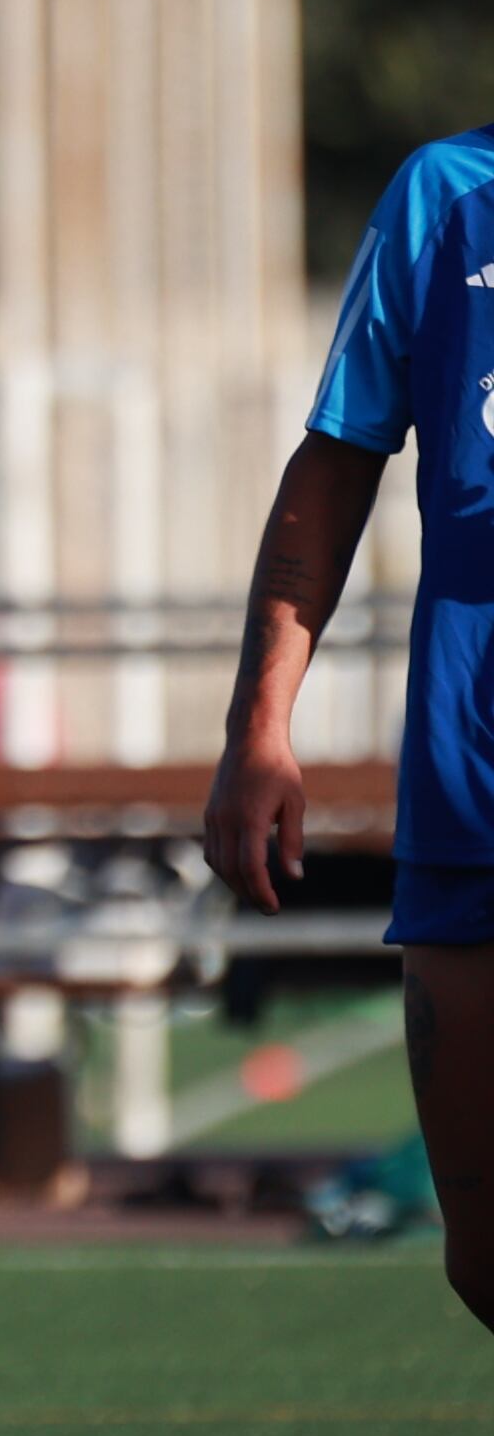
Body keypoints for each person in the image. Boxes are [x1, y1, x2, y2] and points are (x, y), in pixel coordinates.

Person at [206, 120, 494, 1339]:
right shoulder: (446, 193)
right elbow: (338, 458)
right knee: (482, 1260)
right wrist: (259, 724)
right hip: (469, 774)